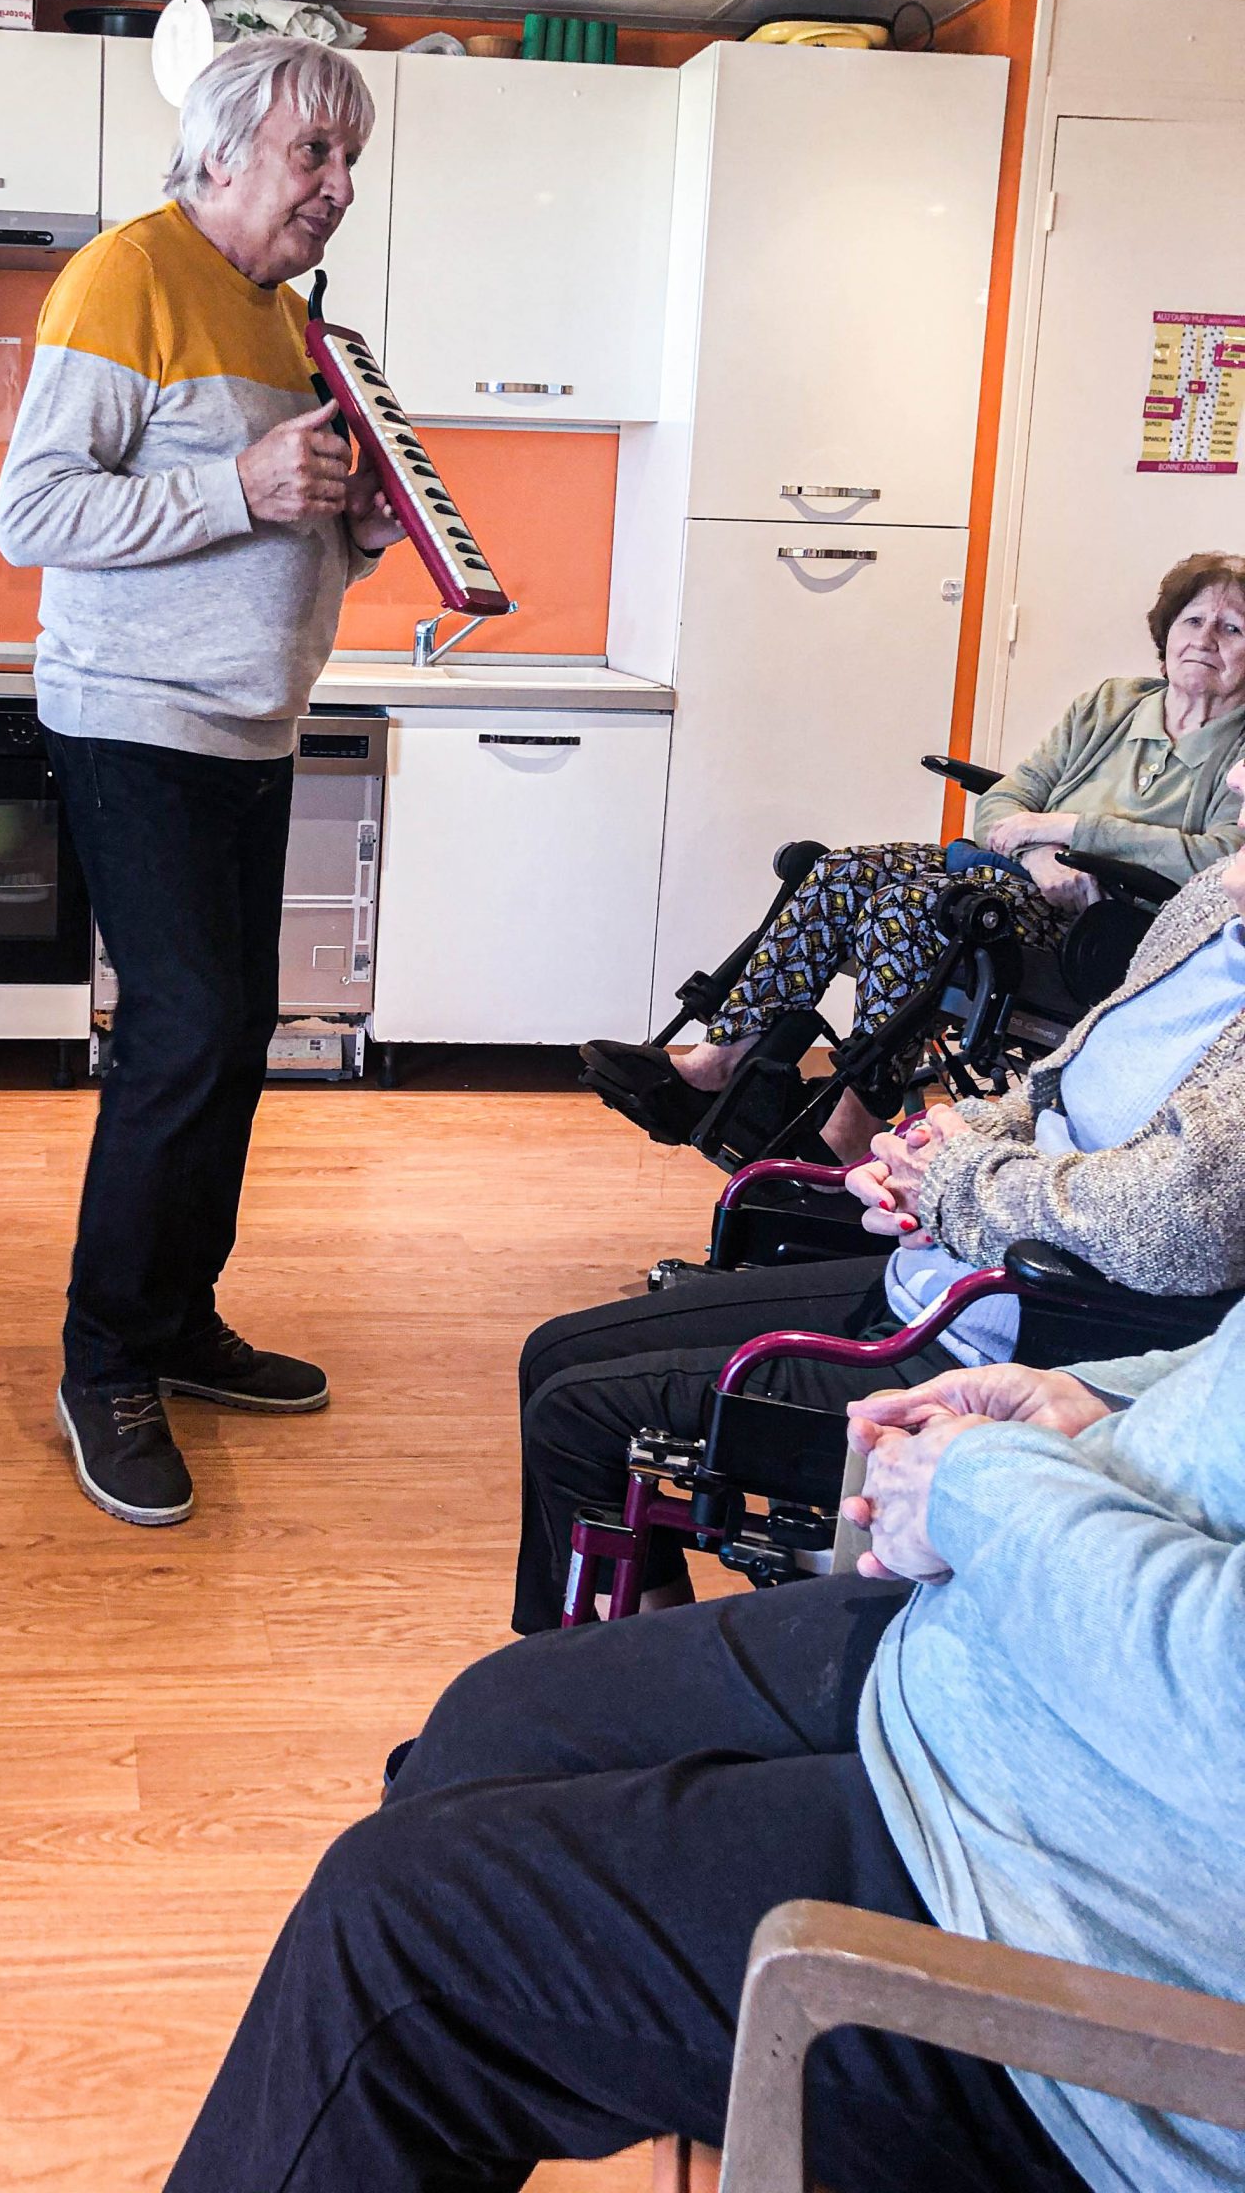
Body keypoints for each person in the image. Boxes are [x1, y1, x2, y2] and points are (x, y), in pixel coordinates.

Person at [164, 1305, 1245, 2193]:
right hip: (1011, 1680)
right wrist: (1098, 1403)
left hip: (1102, 1942)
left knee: (394, 1934)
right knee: (496, 1718)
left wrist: (978, 1486)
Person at [510, 772, 1245, 1632]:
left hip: (1016, 1330)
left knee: (576, 1410)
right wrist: (943, 1135)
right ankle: (743, 1058)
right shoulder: (1213, 909)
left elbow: (1186, 1229)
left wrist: (957, 1182)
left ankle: (605, 1679)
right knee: (552, 1355)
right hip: (945, 1266)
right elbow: (1057, 1085)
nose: (1235, 773)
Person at [0, 36, 403, 1529]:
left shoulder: (293, 320)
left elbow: (303, 522)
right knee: (181, 1034)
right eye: (317, 155)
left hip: (250, 723)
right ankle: (102, 1352)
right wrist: (242, 484)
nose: (341, 187)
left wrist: (353, 514)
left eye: (351, 161)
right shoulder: (128, 275)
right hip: (132, 713)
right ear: (224, 149)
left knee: (238, 1033)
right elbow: (33, 508)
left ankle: (177, 1320)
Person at [585, 551, 1245, 1162]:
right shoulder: (1109, 704)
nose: (1206, 639)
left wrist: (1074, 829)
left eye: (1232, 629)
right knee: (837, 872)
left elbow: (1219, 857)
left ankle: (851, 1129)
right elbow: (1009, 798)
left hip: (1111, 925)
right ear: (1166, 633)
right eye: (1194, 620)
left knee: (916, 908)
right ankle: (718, 1064)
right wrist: (1042, 851)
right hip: (1018, 879)